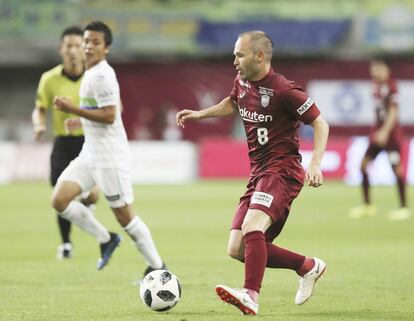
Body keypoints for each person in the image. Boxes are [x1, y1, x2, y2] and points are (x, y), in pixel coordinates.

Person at [176, 30, 330, 315]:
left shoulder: (284, 90)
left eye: (239, 54)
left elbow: (320, 123)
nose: (234, 60)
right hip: (258, 173)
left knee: (252, 228)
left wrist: (316, 162)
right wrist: (199, 114)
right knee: (236, 248)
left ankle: (250, 295)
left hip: (281, 170)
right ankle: (307, 266)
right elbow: (232, 103)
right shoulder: (242, 82)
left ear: (259, 56)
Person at [51, 21, 166, 274]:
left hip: (109, 157)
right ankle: (106, 239)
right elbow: (104, 110)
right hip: (90, 153)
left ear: (106, 49)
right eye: (86, 41)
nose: (89, 47)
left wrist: (73, 109)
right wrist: (80, 117)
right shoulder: (91, 73)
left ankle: (158, 267)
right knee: (60, 200)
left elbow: (111, 115)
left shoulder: (102, 75)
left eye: (95, 42)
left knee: (126, 217)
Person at [32, 26, 99, 260]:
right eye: (68, 46)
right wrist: (39, 125)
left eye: (77, 45)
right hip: (62, 144)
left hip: (89, 142)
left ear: (85, 49)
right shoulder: (49, 79)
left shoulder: (94, 78)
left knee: (92, 195)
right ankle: (66, 244)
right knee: (60, 194)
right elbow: (40, 110)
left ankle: (88, 204)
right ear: (61, 50)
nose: (72, 51)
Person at [348, 59, 411, 221]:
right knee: (363, 165)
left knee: (396, 168)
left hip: (391, 137)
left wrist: (384, 131)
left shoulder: (391, 86)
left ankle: (404, 208)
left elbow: (392, 112)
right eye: (373, 69)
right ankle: (367, 205)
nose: (375, 72)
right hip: (377, 135)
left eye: (378, 69)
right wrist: (377, 131)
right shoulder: (375, 86)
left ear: (387, 70)